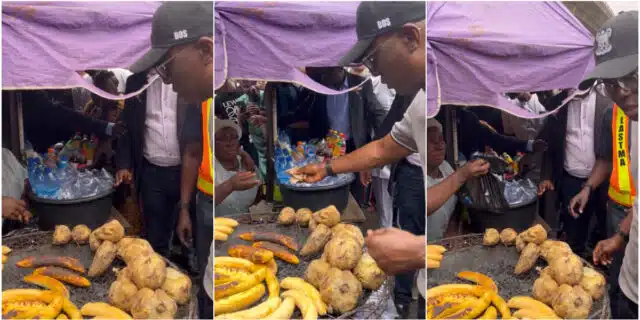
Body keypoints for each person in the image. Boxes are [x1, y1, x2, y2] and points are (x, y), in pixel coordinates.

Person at [127, 2, 214, 319]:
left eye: (168, 66)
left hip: (188, 184)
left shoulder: (205, 100)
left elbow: (193, 151)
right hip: (152, 172)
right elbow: (128, 129)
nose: (167, 80)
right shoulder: (140, 82)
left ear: (206, 51)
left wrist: (185, 206)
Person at [579, 10, 638, 320]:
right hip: (620, 217)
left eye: (633, 75)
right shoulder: (620, 115)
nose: (623, 91)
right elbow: (605, 160)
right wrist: (620, 237)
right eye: (611, 83)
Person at [115, 71, 193, 259]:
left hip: (187, 170)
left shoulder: (188, 76)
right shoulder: (136, 82)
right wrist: (124, 164)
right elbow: (125, 126)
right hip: (152, 172)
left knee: (189, 227)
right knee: (155, 231)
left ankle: (190, 264)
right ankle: (159, 267)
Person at [537, 86, 612, 257]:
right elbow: (550, 143)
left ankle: (601, 266)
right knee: (574, 231)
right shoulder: (557, 104)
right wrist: (546, 176)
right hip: (571, 180)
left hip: (605, 180)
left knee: (605, 228)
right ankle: (575, 263)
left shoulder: (608, 103)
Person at [302, 66, 387, 206]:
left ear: (340, 70)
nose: (325, 77)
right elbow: (311, 112)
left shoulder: (360, 83)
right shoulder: (321, 85)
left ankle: (353, 221)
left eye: (328, 72)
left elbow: (379, 113)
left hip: (354, 146)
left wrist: (377, 142)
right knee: (328, 187)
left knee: (355, 193)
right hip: (327, 147)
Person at [214, 120, 261, 216]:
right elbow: (205, 203)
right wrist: (230, 185)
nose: (229, 143)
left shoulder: (248, 165)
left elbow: (259, 195)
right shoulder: (209, 166)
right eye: (223, 138)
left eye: (233, 137)